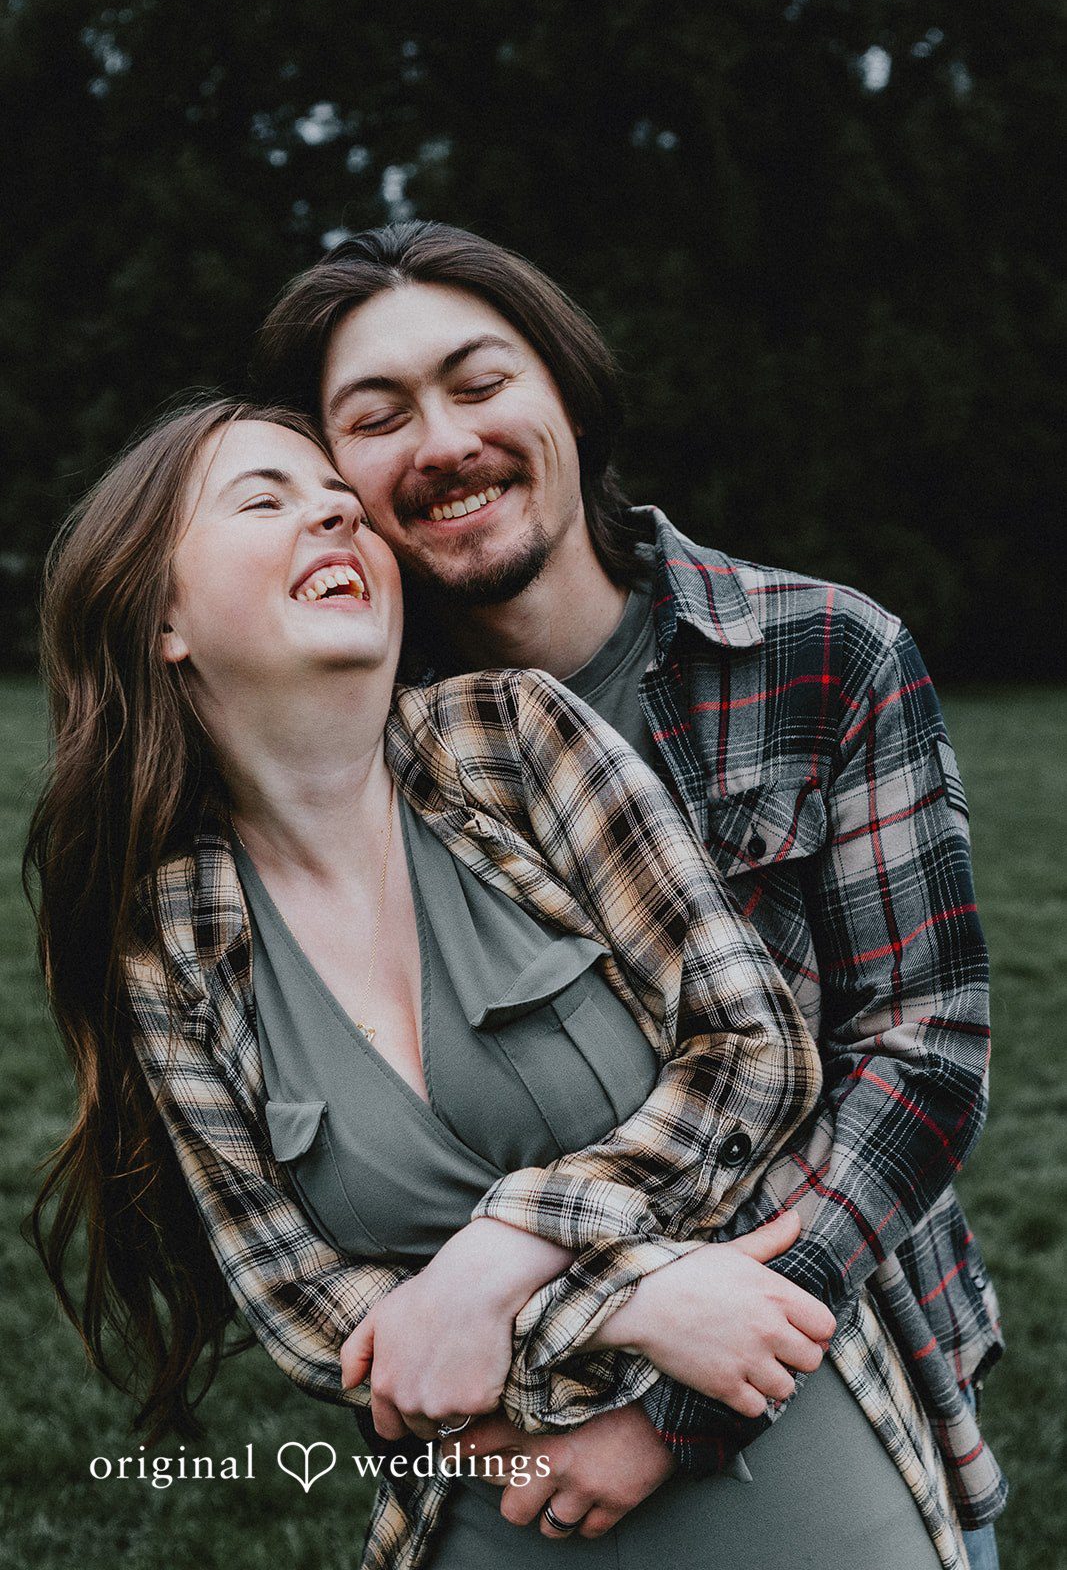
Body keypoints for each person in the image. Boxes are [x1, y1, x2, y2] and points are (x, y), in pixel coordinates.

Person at [26, 399, 965, 1570]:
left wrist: (500, 1254)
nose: (332, 511)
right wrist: (631, 1303)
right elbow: (299, 1298)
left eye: (339, 501)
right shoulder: (167, 939)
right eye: (264, 499)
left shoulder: (516, 740)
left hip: (793, 1474)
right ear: (160, 618)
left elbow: (751, 1048)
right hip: (495, 1512)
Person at [252, 221, 1009, 1568]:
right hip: (498, 1456)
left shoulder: (816, 653)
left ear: (566, 392)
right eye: (376, 419)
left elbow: (924, 1046)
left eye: (478, 384)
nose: (440, 444)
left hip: (839, 1382)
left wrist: (678, 1406)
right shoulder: (349, 756)